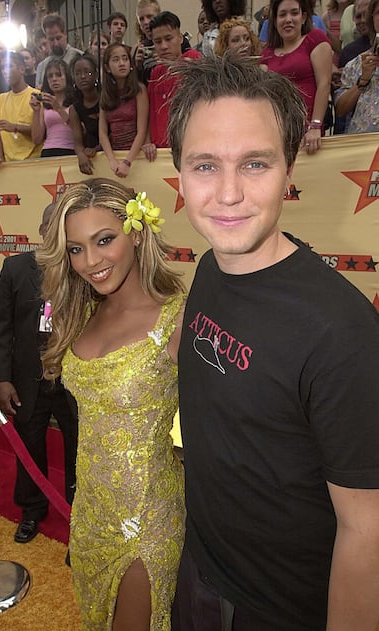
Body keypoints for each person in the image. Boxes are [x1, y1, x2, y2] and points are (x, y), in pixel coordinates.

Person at [168, 53, 379, 631]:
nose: (229, 194)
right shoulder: (212, 266)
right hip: (201, 574)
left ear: (290, 170)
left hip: (280, 610)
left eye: (255, 163)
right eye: (205, 165)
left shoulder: (343, 333)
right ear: (179, 174)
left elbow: (369, 532)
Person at [36, 177, 186, 629]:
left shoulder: (179, 317)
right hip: (90, 512)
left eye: (105, 240)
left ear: (137, 232)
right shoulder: (82, 314)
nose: (90, 262)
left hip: (147, 518)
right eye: (76, 248)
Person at [0, 203, 78, 545]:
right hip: (28, 379)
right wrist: (3, 379)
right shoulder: (15, 268)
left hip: (73, 381)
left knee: (80, 450)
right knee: (28, 445)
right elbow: (1, 327)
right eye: (51, 226)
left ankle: (78, 513)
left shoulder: (81, 267)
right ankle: (31, 511)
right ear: (42, 230)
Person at [261, 0, 332, 154]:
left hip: (308, 136)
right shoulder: (267, 54)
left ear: (304, 17)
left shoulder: (315, 39)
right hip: (278, 136)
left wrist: (315, 126)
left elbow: (324, 84)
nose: (288, 19)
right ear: (275, 21)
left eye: (294, 13)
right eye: (282, 15)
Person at [144, 11, 201, 159]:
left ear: (180, 38)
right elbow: (150, 112)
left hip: (188, 149)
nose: (163, 46)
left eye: (168, 39)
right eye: (157, 41)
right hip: (159, 153)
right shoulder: (155, 72)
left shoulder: (194, 59)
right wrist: (147, 141)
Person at [30, 58, 91, 173]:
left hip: (70, 151)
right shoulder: (45, 104)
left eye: (58, 75)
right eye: (50, 76)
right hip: (48, 152)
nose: (54, 79)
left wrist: (58, 108)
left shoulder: (77, 101)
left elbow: (82, 130)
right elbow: (37, 139)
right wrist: (36, 111)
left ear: (67, 77)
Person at [99, 44, 149, 178]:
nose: (122, 63)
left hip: (136, 156)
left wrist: (128, 161)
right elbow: (102, 132)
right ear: (107, 67)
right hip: (115, 155)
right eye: (115, 60)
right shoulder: (106, 93)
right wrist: (112, 160)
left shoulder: (139, 90)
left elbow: (142, 130)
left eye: (125, 59)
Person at [334, 0, 379, 132]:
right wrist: (363, 81)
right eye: (378, 13)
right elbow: (340, 109)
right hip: (362, 145)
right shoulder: (355, 64)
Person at [0, 52, 42, 162]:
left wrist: (15, 127)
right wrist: (0, 156)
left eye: (10, 66)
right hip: (8, 164)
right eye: (3, 68)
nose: (5, 71)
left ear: (22, 69)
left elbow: (42, 133)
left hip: (34, 161)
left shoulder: (37, 96)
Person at [36, 14, 83, 89]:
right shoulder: (42, 67)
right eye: (51, 39)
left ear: (65, 34)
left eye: (58, 38)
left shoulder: (79, 57)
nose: (56, 43)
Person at [70, 53, 100, 168]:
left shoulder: (106, 98)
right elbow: (77, 142)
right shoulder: (75, 108)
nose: (82, 76)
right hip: (92, 157)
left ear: (96, 74)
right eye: (77, 73)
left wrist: (98, 148)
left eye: (87, 72)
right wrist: (81, 155)